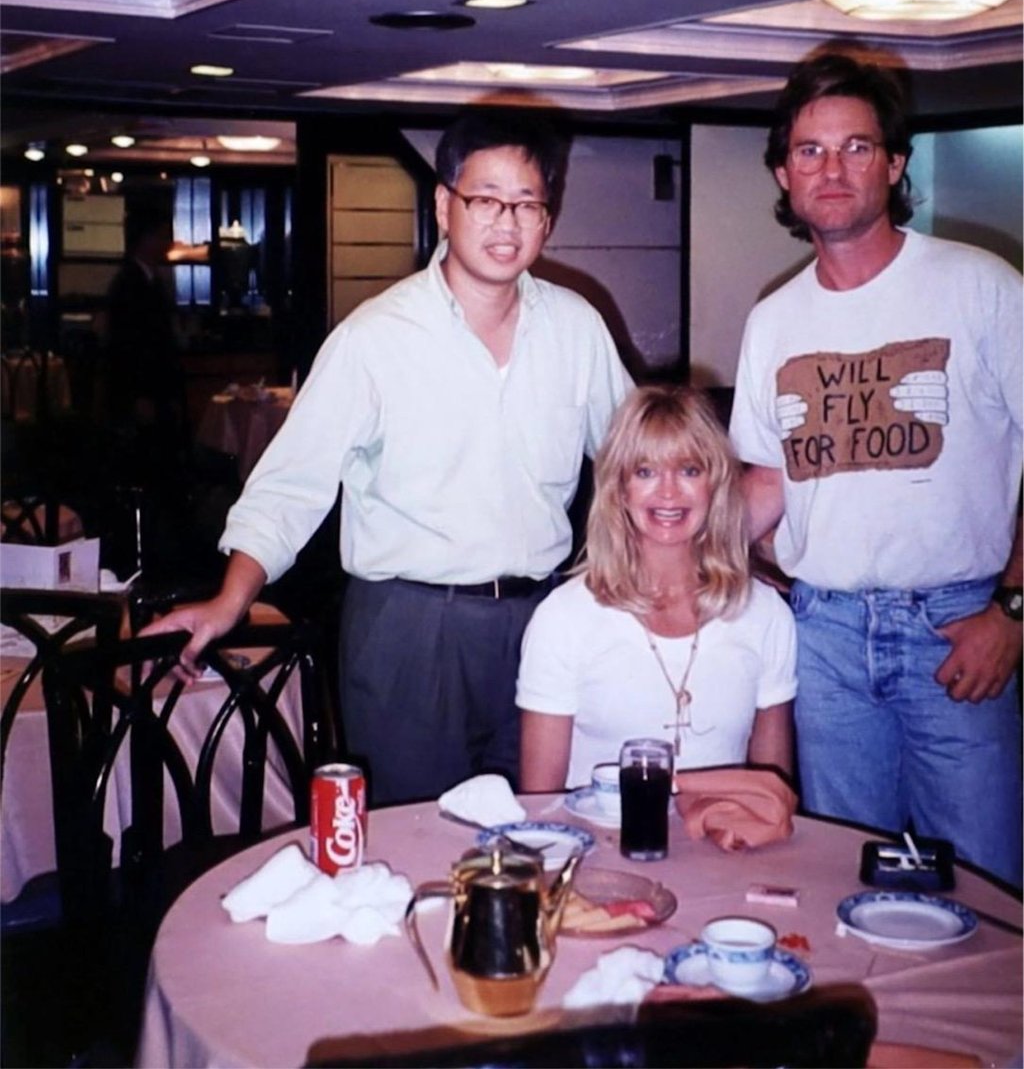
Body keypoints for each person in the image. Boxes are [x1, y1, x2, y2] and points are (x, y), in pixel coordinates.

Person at [144, 108, 632, 805]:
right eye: (486, 199)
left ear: (548, 220)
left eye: (528, 203)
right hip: (409, 629)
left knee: (540, 829)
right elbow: (289, 486)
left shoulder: (577, 328)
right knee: (417, 836)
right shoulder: (375, 338)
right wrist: (230, 599)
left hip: (540, 621)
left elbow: (633, 460)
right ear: (443, 203)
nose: (507, 221)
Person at [728, 49, 1023, 886]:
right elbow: (767, 483)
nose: (831, 169)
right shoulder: (775, 319)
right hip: (822, 638)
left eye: (856, 147)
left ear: (896, 165)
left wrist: (1013, 608)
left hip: (956, 629)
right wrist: (658, 558)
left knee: (986, 889)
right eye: (810, 151)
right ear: (784, 173)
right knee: (845, 876)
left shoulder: (981, 287)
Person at [517, 385, 796, 791]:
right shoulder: (564, 618)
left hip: (723, 848)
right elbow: (540, 804)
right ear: (619, 489)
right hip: (599, 847)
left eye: (689, 470)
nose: (668, 492)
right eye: (646, 472)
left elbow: (774, 799)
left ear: (715, 484)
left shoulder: (764, 613)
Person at [104, 205, 187, 486]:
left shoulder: (152, 281)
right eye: (163, 236)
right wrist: (138, 395)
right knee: (144, 467)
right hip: (142, 392)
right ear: (146, 240)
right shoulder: (130, 284)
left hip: (158, 389)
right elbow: (127, 346)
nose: (167, 243)